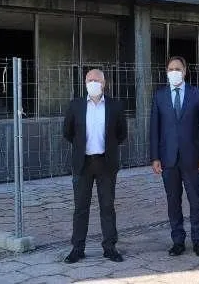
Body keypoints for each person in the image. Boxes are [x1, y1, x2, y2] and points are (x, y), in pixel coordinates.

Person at [149, 56, 199, 257]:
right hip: (168, 159)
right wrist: (155, 157)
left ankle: (198, 241)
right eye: (170, 69)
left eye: (177, 68)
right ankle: (178, 241)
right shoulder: (159, 96)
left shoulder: (197, 94)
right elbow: (154, 130)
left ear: (185, 71)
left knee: (196, 201)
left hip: (192, 158)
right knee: (173, 202)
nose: (174, 71)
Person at [62, 68, 128, 263]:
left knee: (107, 206)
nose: (92, 83)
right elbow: (68, 132)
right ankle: (77, 248)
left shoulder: (115, 106)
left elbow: (121, 133)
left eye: (96, 80)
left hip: (106, 163)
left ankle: (110, 247)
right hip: (83, 163)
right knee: (80, 207)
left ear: (104, 83)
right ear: (85, 83)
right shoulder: (76, 105)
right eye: (89, 80)